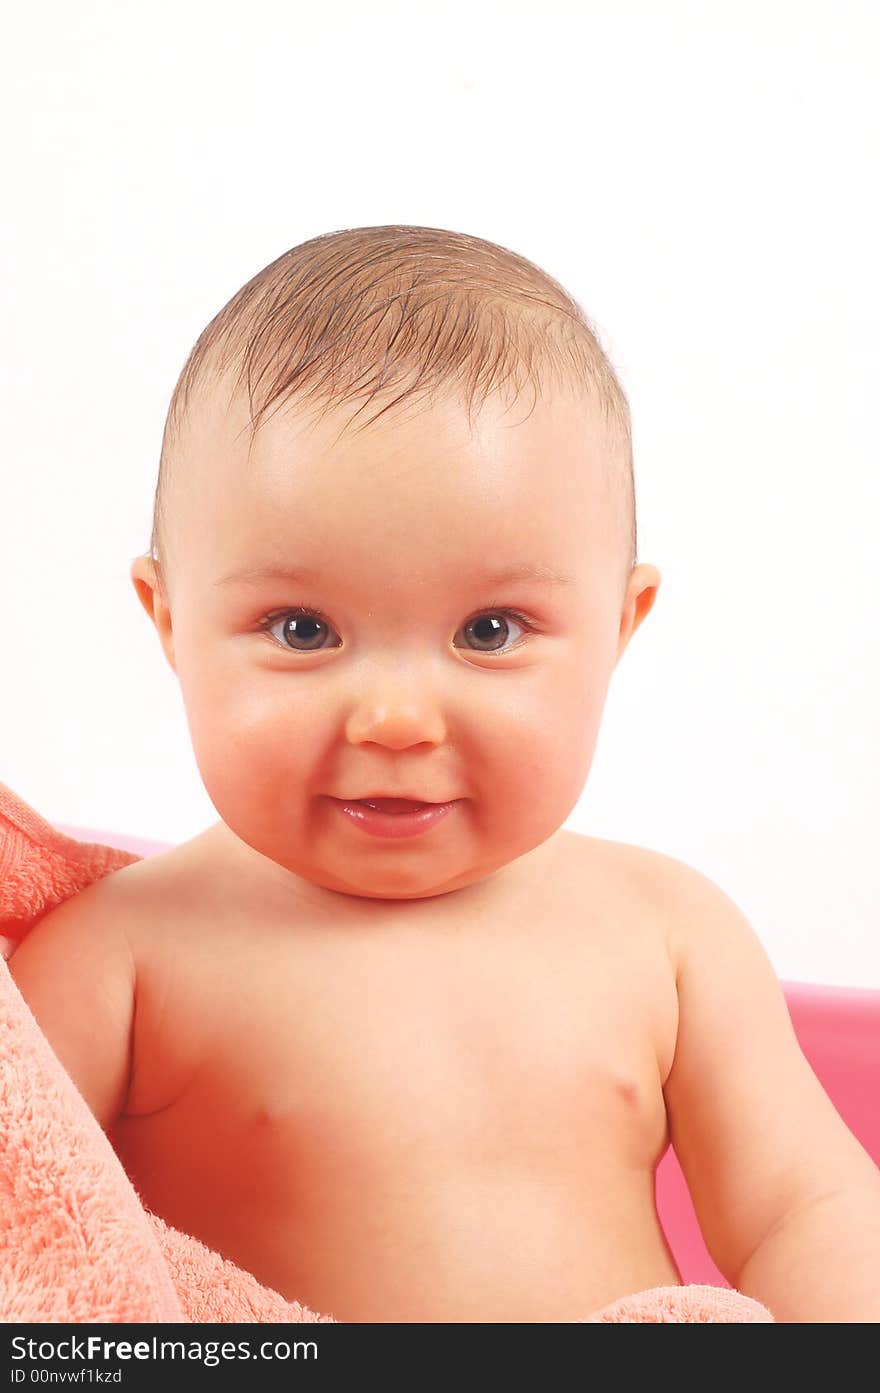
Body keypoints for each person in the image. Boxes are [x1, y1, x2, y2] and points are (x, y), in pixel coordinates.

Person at [9, 226, 880, 1322]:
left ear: (618, 625)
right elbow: (29, 1226)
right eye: (302, 627)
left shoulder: (667, 933)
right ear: (170, 622)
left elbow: (802, 1207)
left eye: (487, 630)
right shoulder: (120, 957)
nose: (395, 717)